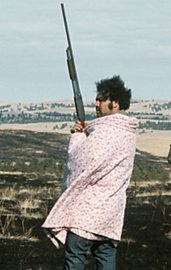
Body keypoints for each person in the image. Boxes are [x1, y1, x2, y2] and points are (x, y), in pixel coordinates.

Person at [42, 75, 138, 270]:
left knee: (75, 258)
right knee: (106, 258)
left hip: (87, 215)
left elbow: (80, 164)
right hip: (111, 214)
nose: (96, 103)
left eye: (101, 99)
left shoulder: (106, 131)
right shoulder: (128, 132)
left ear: (116, 103)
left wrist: (78, 137)